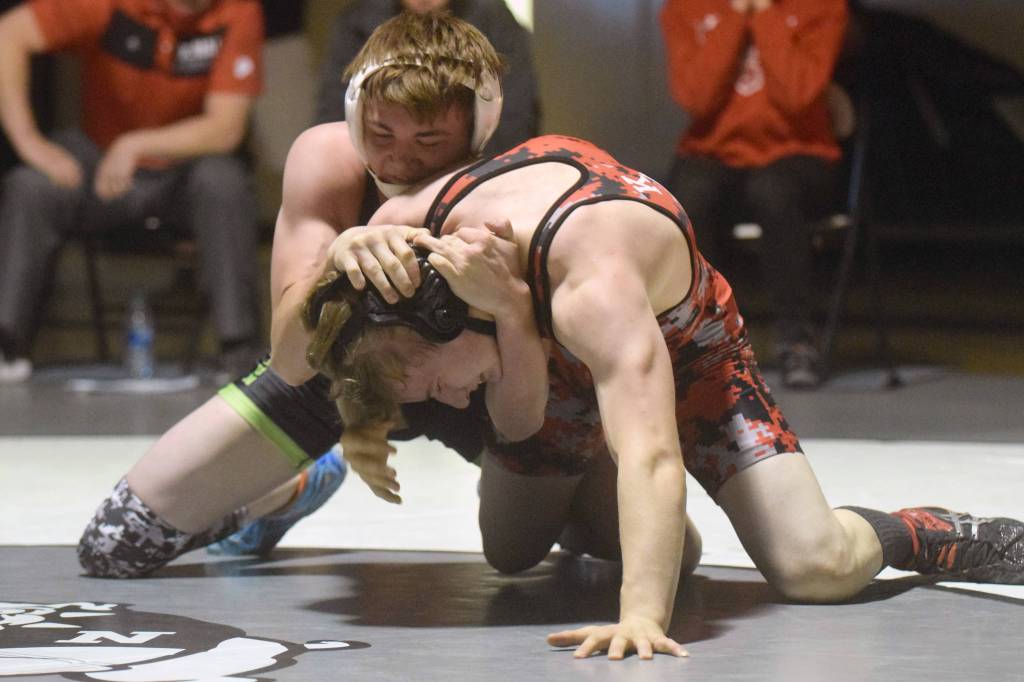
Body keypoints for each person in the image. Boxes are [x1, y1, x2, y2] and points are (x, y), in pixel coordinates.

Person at [303, 133, 1024, 660]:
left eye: (432, 381)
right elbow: (513, 418)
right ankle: (652, 534)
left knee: (814, 568)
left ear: (451, 313)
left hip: (693, 359)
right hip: (552, 343)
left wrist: (642, 616)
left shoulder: (595, 285)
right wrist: (341, 249)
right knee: (511, 549)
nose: (448, 402)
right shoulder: (407, 236)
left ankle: (930, 532)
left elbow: (651, 452)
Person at [75, 11, 509, 575]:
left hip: (468, 386)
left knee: (593, 541)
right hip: (330, 375)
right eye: (382, 134)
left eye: (430, 140)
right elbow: (288, 357)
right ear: (355, 115)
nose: (400, 158)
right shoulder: (327, 157)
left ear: (477, 132)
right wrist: (335, 262)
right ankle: (293, 488)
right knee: (114, 545)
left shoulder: (507, 183)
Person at [0, 0, 266, 382]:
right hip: (97, 162)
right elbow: (10, 32)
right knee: (30, 187)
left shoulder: (237, 10)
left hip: (183, 172)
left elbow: (225, 128)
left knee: (225, 182)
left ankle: (239, 348)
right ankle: (7, 342)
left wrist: (137, 145)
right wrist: (28, 142)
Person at [659, 0, 849, 389]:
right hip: (714, 151)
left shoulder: (824, 7)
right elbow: (697, 97)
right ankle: (699, 339)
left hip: (797, 151)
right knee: (688, 197)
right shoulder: (684, 7)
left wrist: (763, 15)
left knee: (774, 193)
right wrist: (733, 17)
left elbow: (798, 93)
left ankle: (796, 339)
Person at [315, 0, 539, 158]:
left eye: (428, 138)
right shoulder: (358, 20)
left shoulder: (492, 15)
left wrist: (484, 176)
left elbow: (517, 114)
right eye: (384, 134)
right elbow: (334, 110)